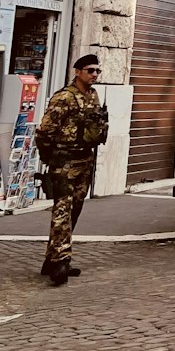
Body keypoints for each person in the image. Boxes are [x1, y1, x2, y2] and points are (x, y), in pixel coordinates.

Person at [34, 54, 108, 286]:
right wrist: (49, 158)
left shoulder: (93, 96)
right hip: (64, 161)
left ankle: (51, 258)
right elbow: (45, 131)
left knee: (74, 209)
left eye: (97, 71)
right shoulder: (64, 98)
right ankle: (60, 262)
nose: (94, 75)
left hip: (85, 160)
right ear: (77, 72)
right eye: (90, 70)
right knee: (62, 211)